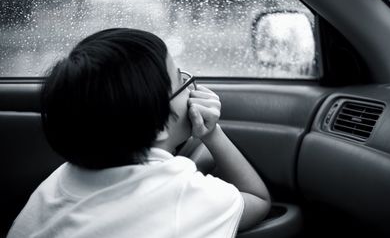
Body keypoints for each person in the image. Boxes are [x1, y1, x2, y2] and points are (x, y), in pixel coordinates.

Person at [7, 28, 270, 238]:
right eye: (181, 81)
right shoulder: (182, 192)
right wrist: (213, 134)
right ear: (157, 126)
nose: (191, 90)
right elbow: (257, 199)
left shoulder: (58, 180)